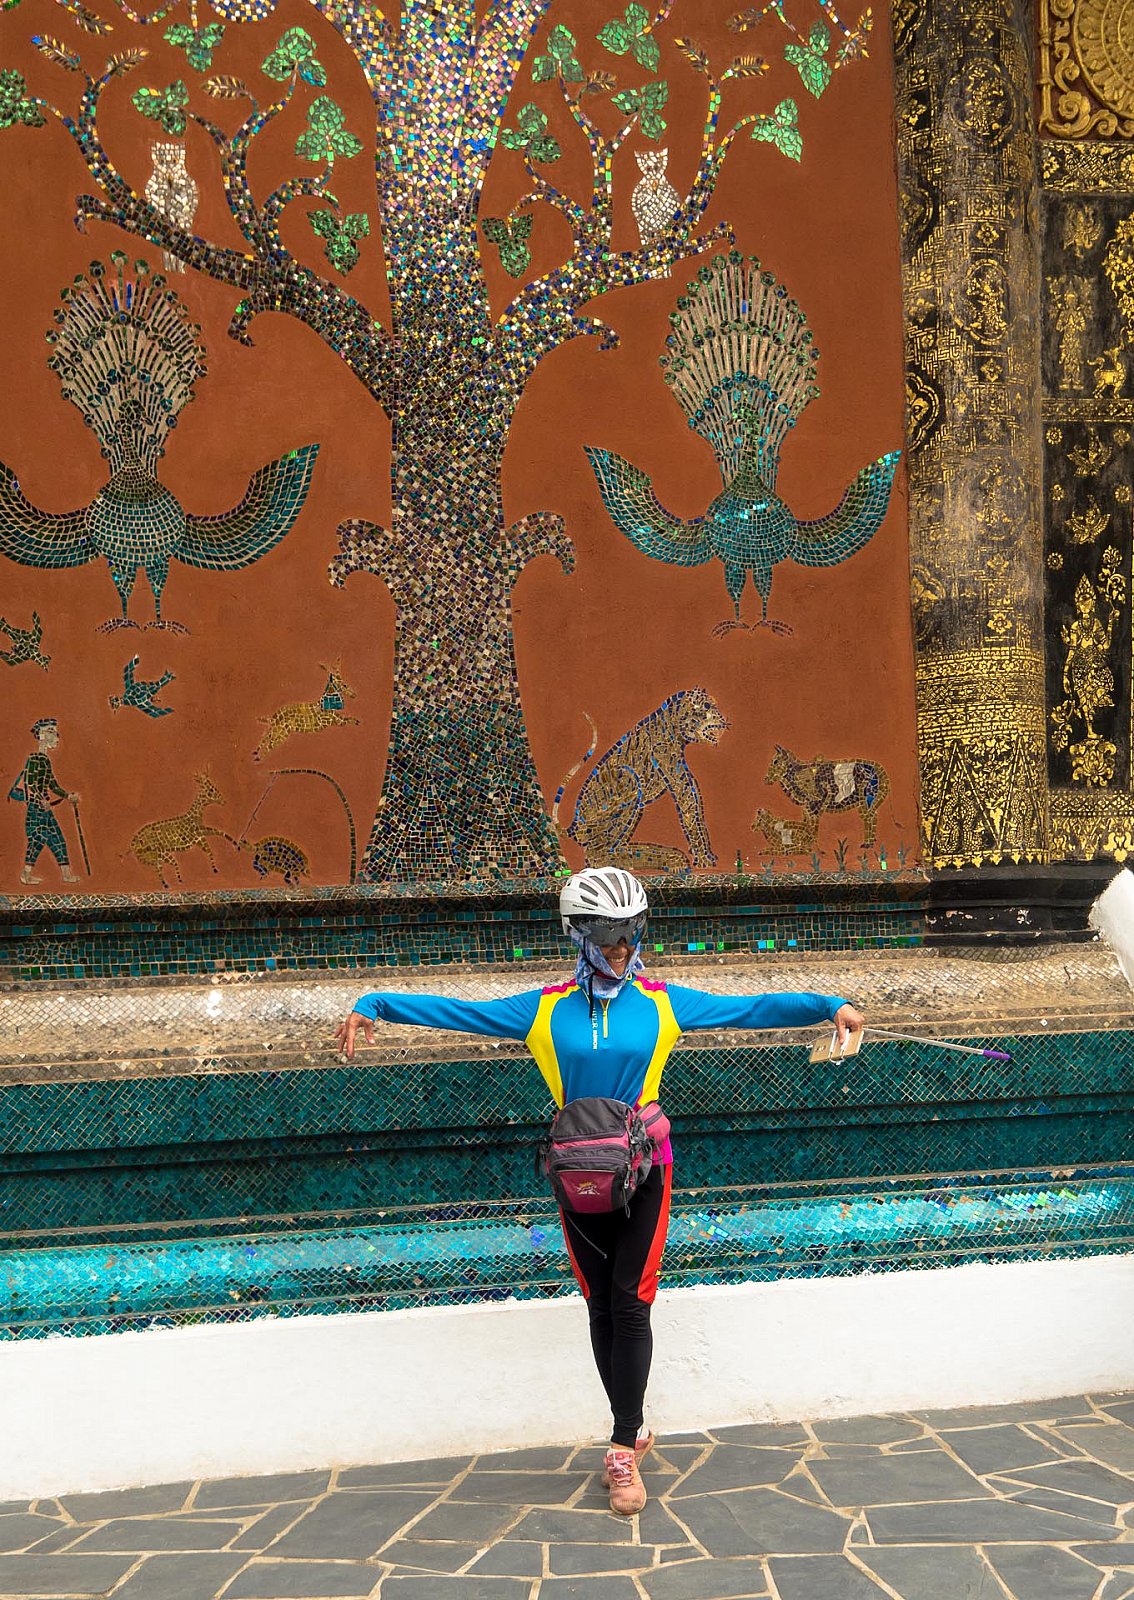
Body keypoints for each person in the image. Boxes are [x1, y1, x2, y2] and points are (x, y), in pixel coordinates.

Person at [335, 865, 863, 1516]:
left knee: (631, 1301)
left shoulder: (663, 1002)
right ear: (578, 935)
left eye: (631, 932)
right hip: (579, 1176)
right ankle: (631, 1428)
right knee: (600, 1306)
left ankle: (621, 1446)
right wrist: (375, 1003)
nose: (622, 947)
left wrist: (828, 1004)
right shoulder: (545, 1009)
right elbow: (460, 1014)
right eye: (608, 935)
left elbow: (752, 1008)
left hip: (647, 1171)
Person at [8, 718, 81, 885]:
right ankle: (27, 875)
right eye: (50, 731)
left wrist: (68, 796)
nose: (55, 735)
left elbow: (53, 785)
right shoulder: (35, 760)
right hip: (36, 809)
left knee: (56, 840)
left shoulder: (45, 760)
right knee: (39, 840)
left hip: (44, 808)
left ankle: (65, 874)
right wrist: (41, 800)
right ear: (41, 735)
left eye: (55, 731)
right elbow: (30, 783)